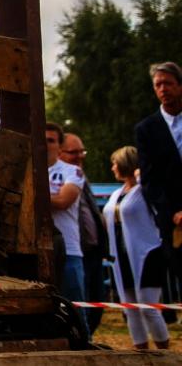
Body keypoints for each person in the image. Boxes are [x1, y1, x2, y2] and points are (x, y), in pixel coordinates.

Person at [104, 146, 172, 349]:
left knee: (148, 306)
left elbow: (160, 194)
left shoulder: (144, 190)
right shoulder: (116, 193)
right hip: (122, 255)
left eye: (115, 163)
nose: (113, 167)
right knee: (130, 306)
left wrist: (143, 175)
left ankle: (164, 351)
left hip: (147, 253)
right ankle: (140, 350)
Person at [136, 61, 182, 288]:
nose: (163, 89)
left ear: (179, 86)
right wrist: (172, 212)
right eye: (158, 85)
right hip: (173, 220)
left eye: (168, 83)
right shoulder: (146, 129)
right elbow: (149, 180)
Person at [60, 131, 110, 332]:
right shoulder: (59, 177)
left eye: (82, 152)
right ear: (60, 153)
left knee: (97, 301)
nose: (80, 156)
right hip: (75, 250)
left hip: (93, 251)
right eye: (74, 152)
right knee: (81, 304)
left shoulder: (80, 175)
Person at [47, 121, 88, 335]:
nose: (45, 144)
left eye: (51, 140)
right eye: (41, 139)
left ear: (60, 146)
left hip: (70, 251)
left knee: (76, 314)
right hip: (38, 252)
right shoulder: (25, 170)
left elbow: (64, 200)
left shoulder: (72, 171)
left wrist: (32, 195)